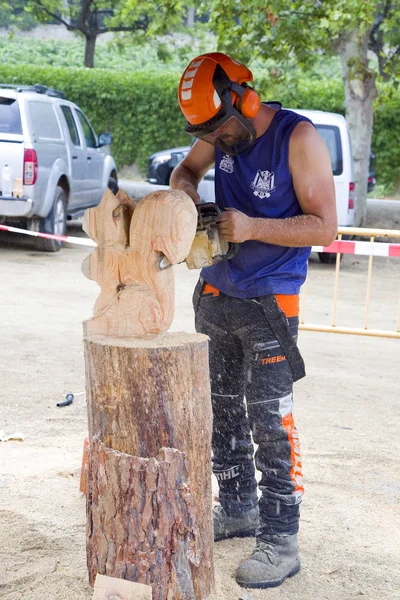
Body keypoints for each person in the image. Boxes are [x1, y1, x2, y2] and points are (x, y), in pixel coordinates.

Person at [170, 52, 337, 589]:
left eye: (222, 128)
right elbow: (184, 170)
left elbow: (325, 227)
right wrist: (187, 197)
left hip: (271, 303)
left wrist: (252, 227)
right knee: (220, 412)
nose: (217, 140)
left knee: (271, 423)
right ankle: (238, 505)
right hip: (217, 293)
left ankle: (281, 537)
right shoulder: (217, 129)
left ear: (246, 98)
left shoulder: (298, 138)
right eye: (208, 133)